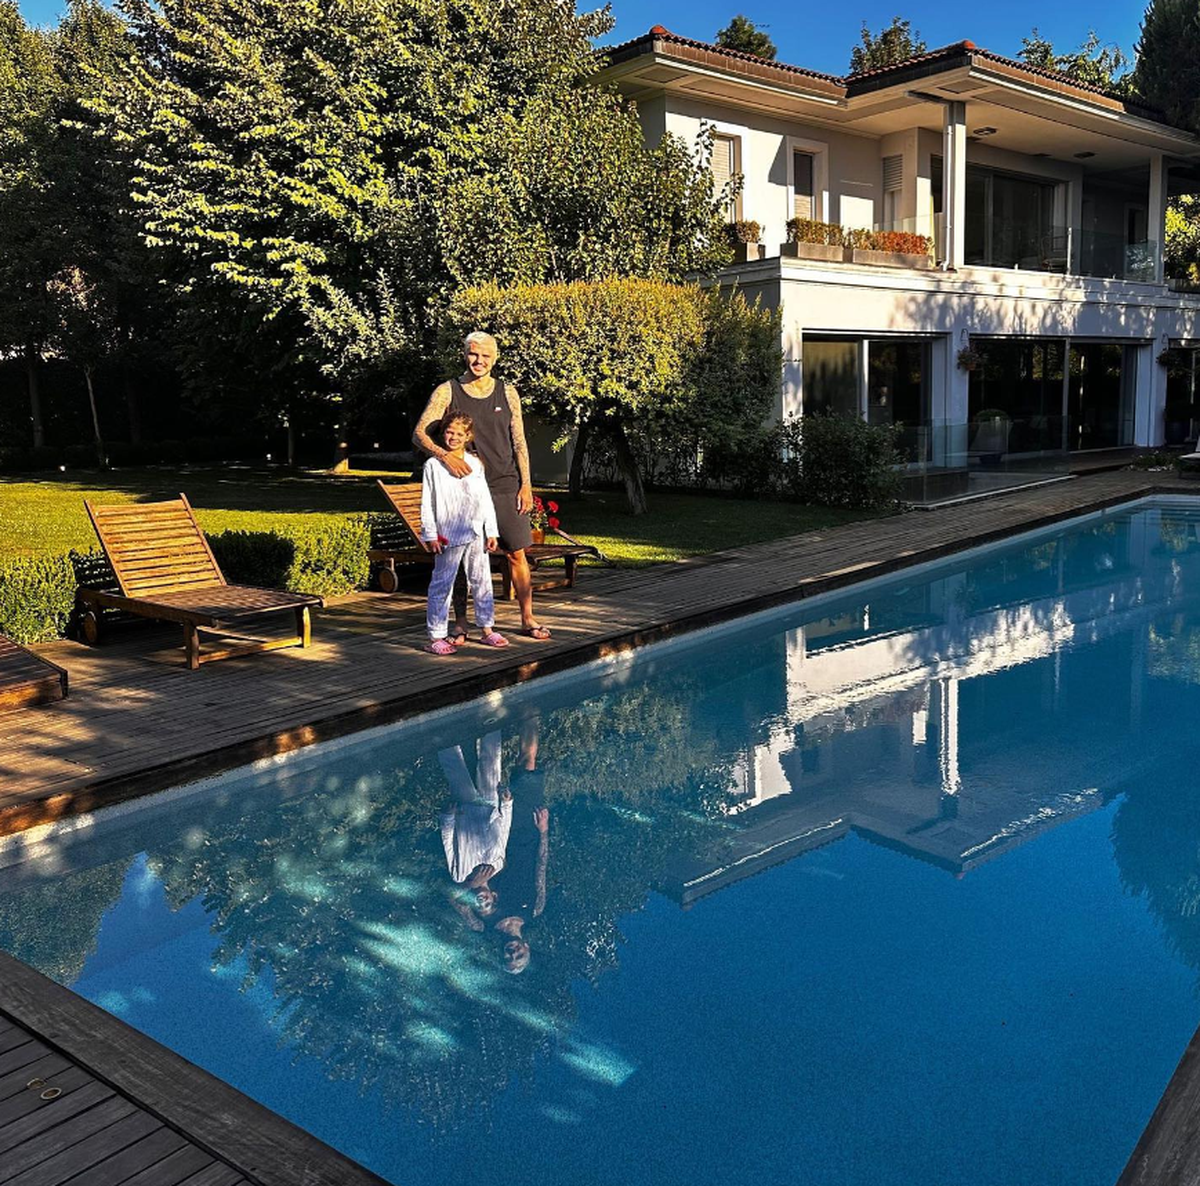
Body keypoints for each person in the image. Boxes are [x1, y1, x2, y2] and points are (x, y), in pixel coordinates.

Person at [413, 331, 551, 643]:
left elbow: (519, 441)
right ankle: (461, 623)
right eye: (474, 354)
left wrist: (526, 484)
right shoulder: (447, 391)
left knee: (517, 553)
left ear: (495, 358)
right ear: (465, 354)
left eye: (486, 355)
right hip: (461, 486)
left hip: (504, 483)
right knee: (460, 560)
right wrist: (445, 456)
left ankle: (527, 618)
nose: (479, 360)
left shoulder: (507, 392)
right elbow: (420, 433)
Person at [420, 411, 508, 655]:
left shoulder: (475, 464)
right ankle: (436, 635)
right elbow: (428, 501)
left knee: (482, 580)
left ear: (468, 436)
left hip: (475, 531)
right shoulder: (433, 466)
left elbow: (484, 498)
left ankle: (487, 628)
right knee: (442, 583)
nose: (453, 437)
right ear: (442, 434)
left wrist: (491, 530)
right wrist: (430, 533)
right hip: (447, 533)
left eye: (459, 434)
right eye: (449, 432)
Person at [490, 714, 551, 975]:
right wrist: (544, 832)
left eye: (509, 957)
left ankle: (486, 726)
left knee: (489, 779)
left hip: (492, 843)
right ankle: (529, 710)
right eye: (520, 956)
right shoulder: (535, 909)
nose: (513, 952)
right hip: (526, 835)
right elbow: (541, 868)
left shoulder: (485, 921)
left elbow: (454, 896)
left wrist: (472, 884)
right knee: (527, 765)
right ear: (527, 948)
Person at [437, 732, 513, 919]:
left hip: (464, 810)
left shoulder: (460, 875)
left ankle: (440, 726)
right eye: (488, 903)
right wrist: (507, 804)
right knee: (491, 757)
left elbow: (449, 844)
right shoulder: (498, 864)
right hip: (490, 804)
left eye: (479, 907)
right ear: (493, 896)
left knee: (453, 765)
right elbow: (504, 831)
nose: (482, 901)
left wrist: (448, 818)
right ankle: (491, 713)